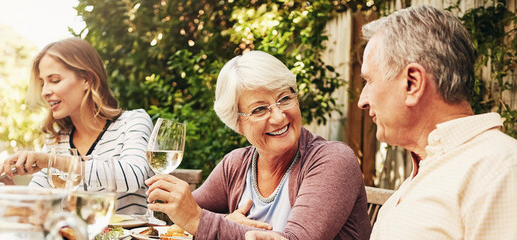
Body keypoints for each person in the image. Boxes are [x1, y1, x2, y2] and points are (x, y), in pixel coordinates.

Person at [145, 50, 371, 239]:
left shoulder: (333, 160)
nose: (279, 117)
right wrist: (219, 221)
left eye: (284, 98)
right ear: (238, 124)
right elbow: (182, 218)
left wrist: (201, 221)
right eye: (260, 109)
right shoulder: (236, 165)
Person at [357, 5, 517, 239]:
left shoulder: (499, 169)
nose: (362, 101)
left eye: (369, 81)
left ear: (412, 83)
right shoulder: (418, 179)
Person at [0, 37, 154, 214]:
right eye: (43, 83)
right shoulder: (58, 139)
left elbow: (132, 176)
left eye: (55, 80)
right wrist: (4, 178)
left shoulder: (133, 122)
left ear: (87, 79)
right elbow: (37, 206)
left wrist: (52, 161)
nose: (45, 91)